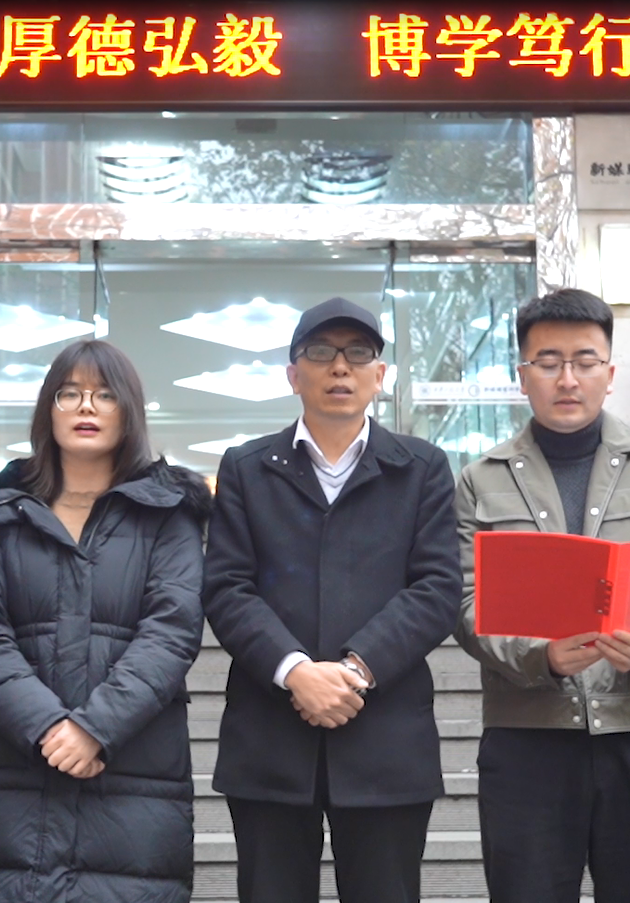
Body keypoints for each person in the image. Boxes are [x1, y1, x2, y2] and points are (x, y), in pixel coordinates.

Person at [450, 288, 630, 903]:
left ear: (610, 371)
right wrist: (539, 656)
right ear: (522, 375)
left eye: (584, 361)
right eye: (548, 362)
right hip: (528, 740)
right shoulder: (479, 481)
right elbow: (464, 602)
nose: (567, 379)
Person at [202, 297, 463, 903]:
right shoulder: (246, 467)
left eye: (358, 353)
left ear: (380, 375)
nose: (340, 367)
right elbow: (227, 586)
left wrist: (354, 670)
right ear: (293, 375)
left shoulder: (421, 468)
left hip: (385, 739)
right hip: (270, 737)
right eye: (321, 352)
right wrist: (296, 672)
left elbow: (436, 587)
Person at [0, 339, 207, 903]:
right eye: (70, 393)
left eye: (104, 395)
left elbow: (171, 632)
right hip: (22, 775)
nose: (86, 406)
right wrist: (48, 727)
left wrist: (94, 729)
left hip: (135, 781)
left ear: (128, 410)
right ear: (49, 408)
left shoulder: (168, 514)